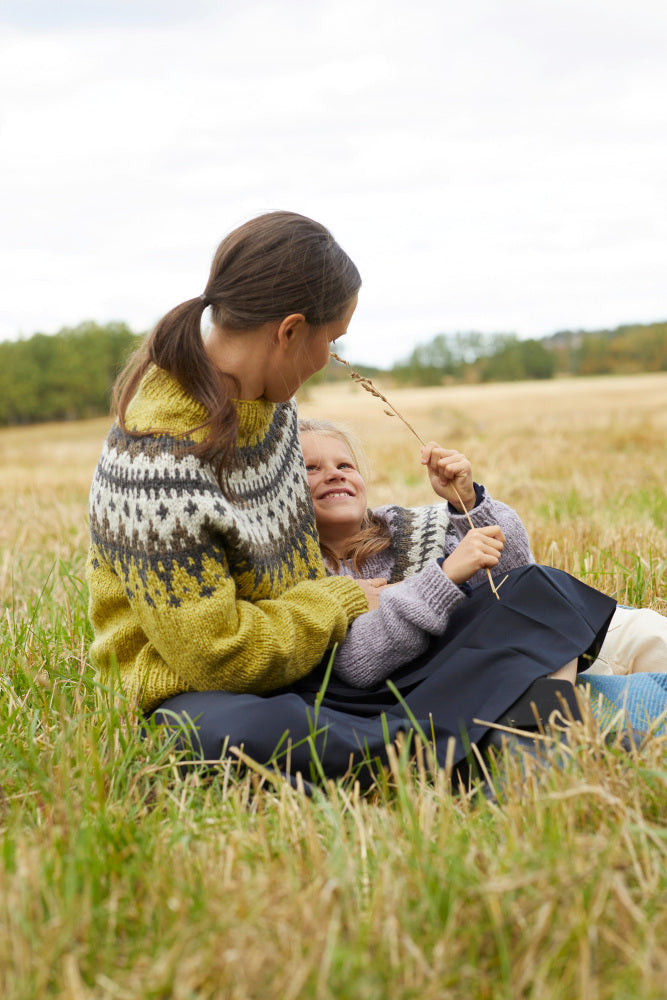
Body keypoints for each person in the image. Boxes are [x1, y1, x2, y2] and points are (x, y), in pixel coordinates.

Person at [87, 211, 375, 718]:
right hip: (200, 699)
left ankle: (507, 706)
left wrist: (452, 520)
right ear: (290, 331)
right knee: (267, 732)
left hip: (303, 667)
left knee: (533, 593)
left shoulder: (272, 407)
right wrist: (343, 600)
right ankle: (472, 725)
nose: (330, 358)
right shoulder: (159, 463)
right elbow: (219, 659)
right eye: (331, 341)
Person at [298, 418, 667, 690]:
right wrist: (444, 577)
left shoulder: (412, 526)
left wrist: (468, 503)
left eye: (344, 465)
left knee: (648, 635)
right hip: (478, 672)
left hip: (540, 637)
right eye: (310, 468)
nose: (334, 474)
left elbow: (517, 579)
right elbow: (358, 664)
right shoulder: (302, 576)